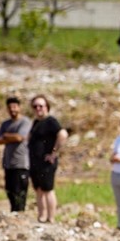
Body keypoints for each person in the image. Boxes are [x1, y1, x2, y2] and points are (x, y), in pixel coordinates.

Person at [26, 95, 68, 224]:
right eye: (35, 106)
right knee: (38, 189)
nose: (38, 109)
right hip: (35, 161)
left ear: (47, 107)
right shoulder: (36, 122)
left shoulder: (51, 121)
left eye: (41, 106)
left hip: (46, 162)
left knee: (48, 189)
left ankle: (51, 217)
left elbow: (63, 134)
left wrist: (53, 152)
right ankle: (42, 216)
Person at [0, 96, 32, 212]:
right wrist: (10, 137)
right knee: (9, 189)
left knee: (19, 191)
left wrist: (6, 136)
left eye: (14, 107)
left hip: (21, 163)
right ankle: (14, 211)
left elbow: (20, 137)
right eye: (10, 107)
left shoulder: (25, 122)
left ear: (19, 107)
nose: (12, 109)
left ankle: (20, 212)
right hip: (8, 162)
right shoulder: (5, 124)